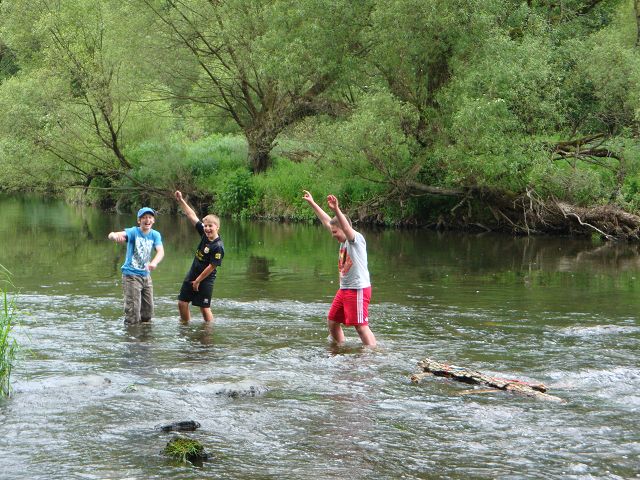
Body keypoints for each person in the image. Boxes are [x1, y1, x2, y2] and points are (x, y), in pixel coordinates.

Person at [302, 190, 377, 347]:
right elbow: (327, 221)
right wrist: (312, 203)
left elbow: (346, 228)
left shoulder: (355, 239)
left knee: (360, 326)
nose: (333, 235)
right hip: (345, 289)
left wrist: (336, 209)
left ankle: (372, 353)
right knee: (333, 321)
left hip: (357, 289)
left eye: (335, 232)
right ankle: (340, 348)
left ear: (344, 228)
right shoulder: (343, 240)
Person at [107, 207, 164, 324]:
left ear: (153, 220)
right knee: (133, 314)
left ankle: (144, 333)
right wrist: (114, 236)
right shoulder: (133, 232)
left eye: (150, 217)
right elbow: (113, 234)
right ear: (139, 220)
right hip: (131, 275)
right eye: (144, 218)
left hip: (146, 276)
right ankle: (131, 333)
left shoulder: (155, 235)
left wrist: (154, 262)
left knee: (148, 314)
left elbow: (161, 251)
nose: (147, 220)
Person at [175, 191, 225, 323]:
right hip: (193, 273)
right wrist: (181, 200)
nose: (207, 228)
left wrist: (197, 281)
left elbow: (211, 267)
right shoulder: (204, 233)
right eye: (206, 226)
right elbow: (191, 215)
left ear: (217, 227)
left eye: (210, 226)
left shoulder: (218, 246)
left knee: (204, 308)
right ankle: (185, 326)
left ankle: (208, 330)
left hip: (206, 279)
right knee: (182, 303)